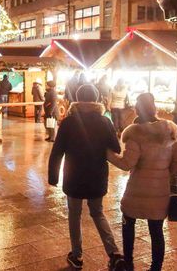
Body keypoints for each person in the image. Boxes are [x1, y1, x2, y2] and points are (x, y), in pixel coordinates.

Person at [48, 84, 125, 270]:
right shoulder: (105, 121)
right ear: (97, 99)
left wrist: (53, 176)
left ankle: (77, 255)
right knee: (97, 213)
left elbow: (57, 151)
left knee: (74, 215)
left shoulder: (68, 122)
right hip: (97, 176)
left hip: (73, 176)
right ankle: (114, 253)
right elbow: (116, 147)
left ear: (77, 99)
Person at [107, 93, 177, 271]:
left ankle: (129, 263)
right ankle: (156, 267)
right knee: (156, 231)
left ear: (136, 108)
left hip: (136, 190)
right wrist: (163, 173)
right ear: (154, 107)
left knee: (128, 225)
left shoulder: (136, 134)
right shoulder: (170, 132)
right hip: (159, 192)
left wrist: (108, 154)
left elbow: (127, 164)